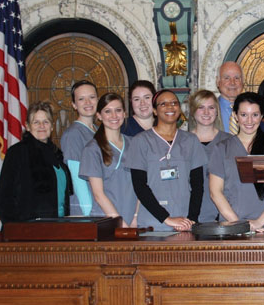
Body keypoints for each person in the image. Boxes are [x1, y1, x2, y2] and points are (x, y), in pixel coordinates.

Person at [126, 90, 207, 231]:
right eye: (163, 104)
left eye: (174, 103)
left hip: (185, 222)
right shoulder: (140, 141)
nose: (170, 107)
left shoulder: (191, 140)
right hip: (153, 223)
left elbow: (198, 185)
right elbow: (139, 186)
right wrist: (166, 218)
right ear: (155, 111)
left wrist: (191, 220)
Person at [209, 92, 264, 231]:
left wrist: (259, 222)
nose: (249, 121)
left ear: (262, 116)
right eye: (244, 115)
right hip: (233, 228)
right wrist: (241, 225)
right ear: (235, 116)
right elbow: (215, 192)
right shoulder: (221, 149)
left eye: (255, 115)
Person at [0, 101, 73, 223]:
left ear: (52, 126)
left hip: (58, 226)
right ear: (27, 126)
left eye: (45, 122)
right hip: (29, 231)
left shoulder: (56, 154)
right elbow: (4, 199)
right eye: (36, 122)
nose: (41, 126)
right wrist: (17, 230)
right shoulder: (18, 152)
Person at [79, 93, 138, 227]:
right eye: (107, 111)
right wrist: (120, 223)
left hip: (134, 220)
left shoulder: (134, 144)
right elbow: (98, 194)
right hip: (107, 221)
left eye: (118, 110)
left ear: (124, 113)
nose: (114, 116)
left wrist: (135, 217)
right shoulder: (92, 149)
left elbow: (141, 185)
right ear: (99, 116)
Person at [188, 89, 232, 223]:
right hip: (188, 216)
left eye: (211, 107)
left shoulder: (229, 141)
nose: (206, 112)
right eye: (201, 107)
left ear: (217, 111)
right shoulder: (182, 141)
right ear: (193, 111)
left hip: (223, 215)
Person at [61, 80, 98, 216]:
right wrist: (88, 212)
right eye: (81, 99)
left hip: (100, 206)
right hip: (86, 209)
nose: (88, 102)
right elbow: (76, 177)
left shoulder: (99, 131)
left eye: (92, 97)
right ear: (74, 105)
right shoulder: (73, 134)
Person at [216, 61, 244, 133]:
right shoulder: (205, 110)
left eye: (237, 78)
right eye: (227, 78)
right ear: (218, 82)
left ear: (243, 83)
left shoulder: (253, 110)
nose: (232, 82)